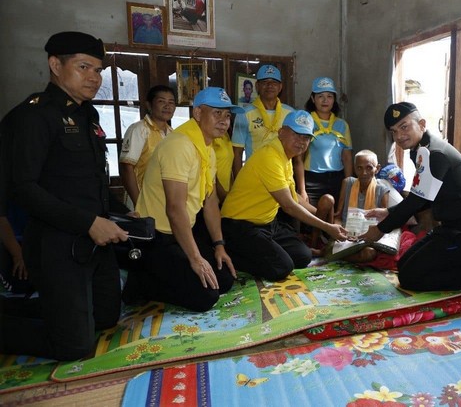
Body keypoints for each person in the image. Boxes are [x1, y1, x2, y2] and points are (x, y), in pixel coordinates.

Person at [0, 31, 130, 360]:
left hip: (95, 241)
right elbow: (22, 189)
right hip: (56, 243)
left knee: (105, 318)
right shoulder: (33, 116)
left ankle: (61, 312)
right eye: (84, 67)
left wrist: (124, 216)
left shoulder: (89, 115)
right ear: (55, 65)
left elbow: (92, 182)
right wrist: (88, 222)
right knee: (74, 346)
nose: (94, 78)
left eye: (98, 70)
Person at [359, 102, 461, 308]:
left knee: (411, 278)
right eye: (394, 131)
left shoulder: (436, 154)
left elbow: (418, 200)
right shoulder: (419, 150)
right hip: (447, 229)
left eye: (404, 127)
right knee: (403, 265)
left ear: (422, 124)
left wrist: (380, 230)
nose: (399, 136)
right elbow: (422, 194)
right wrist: (387, 212)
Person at [122, 87, 242, 312]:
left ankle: (165, 271)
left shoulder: (208, 148)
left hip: (183, 230)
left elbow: (210, 201)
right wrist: (195, 258)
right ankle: (142, 280)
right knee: (206, 297)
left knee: (224, 280)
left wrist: (219, 246)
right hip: (158, 236)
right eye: (217, 113)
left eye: (227, 115)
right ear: (197, 113)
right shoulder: (179, 145)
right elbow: (175, 209)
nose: (224, 121)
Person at [221, 110, 348, 281]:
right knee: (282, 268)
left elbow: (294, 197)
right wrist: (326, 226)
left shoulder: (286, 156)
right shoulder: (270, 156)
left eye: (306, 137)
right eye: (296, 134)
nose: (301, 142)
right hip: (239, 224)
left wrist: (323, 216)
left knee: (303, 257)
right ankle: (231, 252)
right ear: (282, 132)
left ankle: (259, 252)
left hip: (267, 223)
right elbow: (289, 206)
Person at [231, 64, 294, 177]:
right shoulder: (244, 114)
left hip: (283, 176)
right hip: (255, 176)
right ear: (257, 86)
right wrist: (239, 184)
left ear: (280, 87)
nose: (269, 86)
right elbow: (237, 153)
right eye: (265, 82)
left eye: (274, 82)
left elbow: (297, 152)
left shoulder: (291, 114)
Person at [298, 77, 353, 206]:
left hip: (337, 180)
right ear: (313, 98)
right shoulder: (305, 122)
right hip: (312, 181)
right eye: (320, 96)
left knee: (336, 220)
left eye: (329, 96)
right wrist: (302, 190)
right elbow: (298, 159)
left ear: (334, 100)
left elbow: (347, 157)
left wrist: (350, 185)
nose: (325, 100)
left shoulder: (342, 124)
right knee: (312, 221)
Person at [119, 85, 176, 207]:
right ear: (149, 105)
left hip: (163, 200)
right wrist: (139, 202)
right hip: (141, 198)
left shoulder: (173, 133)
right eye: (161, 101)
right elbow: (126, 167)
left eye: (171, 102)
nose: (167, 106)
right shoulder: (139, 130)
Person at [332, 150, 390, 262]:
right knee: (337, 243)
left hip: (367, 237)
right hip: (346, 235)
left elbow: (383, 222)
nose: (364, 173)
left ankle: (336, 256)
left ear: (377, 169)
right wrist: (340, 232)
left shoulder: (382, 190)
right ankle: (341, 254)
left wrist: (366, 236)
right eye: (359, 168)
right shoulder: (347, 183)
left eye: (369, 168)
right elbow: (338, 217)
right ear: (354, 168)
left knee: (369, 253)